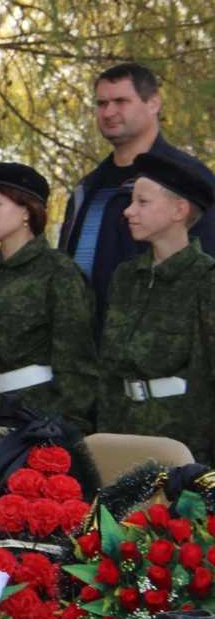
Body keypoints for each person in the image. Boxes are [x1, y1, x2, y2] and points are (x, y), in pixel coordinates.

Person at [59, 62, 215, 334]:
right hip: (83, 353)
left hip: (152, 351)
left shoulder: (188, 182)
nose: (108, 112)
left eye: (121, 101)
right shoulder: (88, 188)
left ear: (153, 103)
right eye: (101, 103)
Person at [0, 162, 99, 428]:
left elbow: (77, 370)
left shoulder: (59, 272)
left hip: (34, 418)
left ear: (26, 209)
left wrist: (57, 433)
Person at [97, 152, 215, 464]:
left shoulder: (205, 280)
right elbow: (109, 370)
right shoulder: (126, 276)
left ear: (179, 210)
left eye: (142, 202)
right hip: (120, 438)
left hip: (179, 446)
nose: (129, 210)